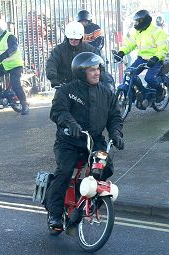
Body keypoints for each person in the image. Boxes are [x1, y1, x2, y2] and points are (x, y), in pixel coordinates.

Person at [45, 52, 124, 234]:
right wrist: (70, 123)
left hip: (95, 141)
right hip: (69, 141)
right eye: (91, 70)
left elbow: (115, 117)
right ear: (81, 72)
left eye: (98, 69)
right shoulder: (67, 91)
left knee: (105, 168)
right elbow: (58, 111)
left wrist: (116, 134)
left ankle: (85, 205)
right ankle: (55, 214)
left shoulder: (106, 93)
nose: (96, 73)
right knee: (64, 171)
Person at [115, 10, 168, 105]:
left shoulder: (157, 32)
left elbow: (163, 49)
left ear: (144, 21)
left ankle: (160, 91)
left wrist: (155, 58)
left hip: (155, 60)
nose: (135, 24)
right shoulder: (137, 32)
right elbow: (129, 44)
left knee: (149, 78)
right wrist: (121, 52)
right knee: (130, 74)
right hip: (142, 59)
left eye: (137, 22)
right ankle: (141, 92)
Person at [46, 21, 100, 88]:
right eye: (71, 39)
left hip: (85, 85)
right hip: (64, 85)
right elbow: (51, 63)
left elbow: (99, 64)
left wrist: (99, 79)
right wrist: (54, 79)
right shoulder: (59, 50)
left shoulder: (90, 49)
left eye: (76, 39)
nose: (73, 41)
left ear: (81, 38)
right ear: (67, 37)